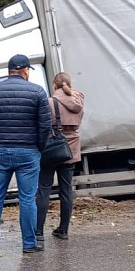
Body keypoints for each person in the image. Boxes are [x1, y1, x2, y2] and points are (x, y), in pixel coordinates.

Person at [0, 54, 51, 253]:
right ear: (26, 70)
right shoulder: (37, 92)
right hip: (28, 152)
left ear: (9, 71)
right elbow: (45, 125)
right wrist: (39, 146)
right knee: (27, 198)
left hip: (2, 150)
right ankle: (29, 243)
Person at [36, 72, 84, 241]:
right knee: (66, 190)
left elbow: (42, 125)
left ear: (54, 86)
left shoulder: (49, 102)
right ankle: (63, 230)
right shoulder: (79, 100)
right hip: (71, 150)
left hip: (51, 148)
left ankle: (38, 231)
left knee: (43, 189)